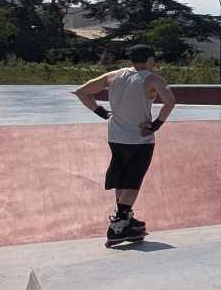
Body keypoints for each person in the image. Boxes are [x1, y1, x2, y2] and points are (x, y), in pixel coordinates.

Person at [73, 44, 178, 246]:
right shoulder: (152, 78)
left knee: (121, 178)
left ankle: (125, 216)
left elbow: (82, 92)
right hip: (140, 138)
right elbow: (170, 101)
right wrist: (156, 125)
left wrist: (102, 113)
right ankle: (119, 225)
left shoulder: (114, 75)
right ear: (149, 60)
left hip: (115, 136)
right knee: (133, 180)